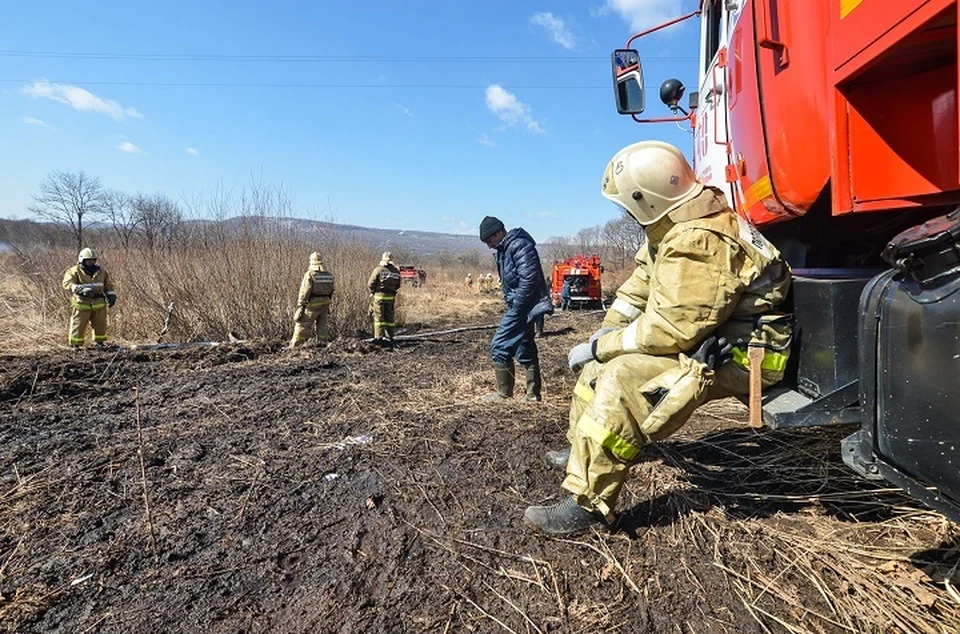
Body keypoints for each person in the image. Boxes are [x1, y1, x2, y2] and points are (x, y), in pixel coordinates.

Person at [524, 140, 793, 536]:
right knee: (598, 367)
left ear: (646, 199)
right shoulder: (672, 227)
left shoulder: (699, 240)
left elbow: (672, 329)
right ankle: (581, 451)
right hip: (711, 338)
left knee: (622, 380)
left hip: (744, 355)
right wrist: (607, 331)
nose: (626, 214)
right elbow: (638, 290)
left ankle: (589, 505)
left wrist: (604, 345)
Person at [479, 215, 553, 402]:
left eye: (489, 240)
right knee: (524, 345)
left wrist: (517, 307)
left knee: (499, 345)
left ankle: (503, 394)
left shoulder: (519, 245)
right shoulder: (505, 248)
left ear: (499, 232)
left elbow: (529, 279)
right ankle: (532, 395)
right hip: (521, 305)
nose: (488, 245)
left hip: (524, 306)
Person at [61, 247, 117, 349]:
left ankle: (99, 343)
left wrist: (111, 295)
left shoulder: (102, 272)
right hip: (82, 304)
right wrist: (80, 289)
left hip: (99, 304)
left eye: (92, 260)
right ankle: (75, 345)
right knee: (78, 325)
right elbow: (67, 283)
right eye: (88, 260)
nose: (91, 262)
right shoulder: (74, 271)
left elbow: (108, 285)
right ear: (82, 260)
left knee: (100, 325)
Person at [290, 251, 335, 347]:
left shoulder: (310, 274)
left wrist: (300, 305)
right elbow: (332, 290)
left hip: (312, 304)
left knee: (302, 325)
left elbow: (305, 290)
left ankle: (296, 345)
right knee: (322, 325)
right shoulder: (328, 275)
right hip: (325, 303)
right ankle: (322, 344)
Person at [368, 251, 402, 343]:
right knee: (389, 317)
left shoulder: (378, 270)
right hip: (390, 297)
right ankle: (389, 336)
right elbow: (398, 285)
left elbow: (371, 283)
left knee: (379, 318)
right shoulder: (396, 271)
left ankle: (378, 338)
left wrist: (372, 291)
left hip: (379, 296)